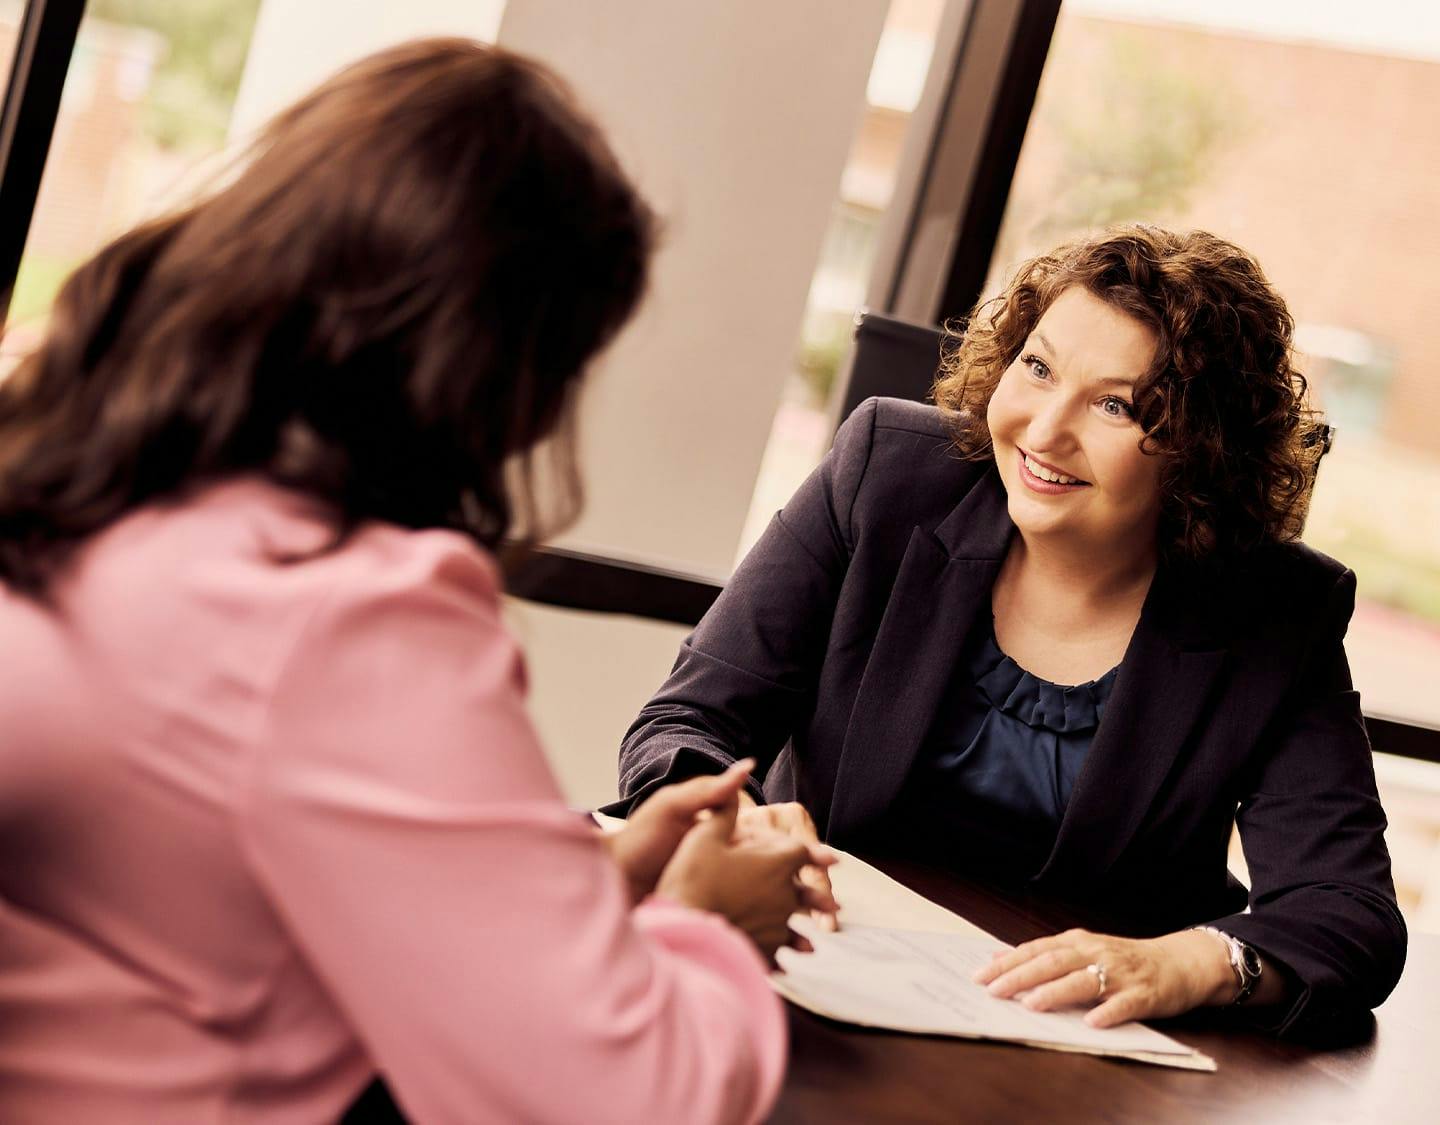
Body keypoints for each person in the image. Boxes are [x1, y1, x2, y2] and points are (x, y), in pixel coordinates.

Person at [0, 39, 837, 1124]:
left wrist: (589, 886)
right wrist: (706, 925)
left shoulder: (74, 475)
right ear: (496, 364)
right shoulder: (338, 610)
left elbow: (215, 850)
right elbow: (631, 1098)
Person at [615, 225, 1407, 1040]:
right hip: (806, 982)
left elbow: (1347, 914)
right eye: (1038, 366)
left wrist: (1185, 961)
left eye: (1116, 404)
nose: (1043, 429)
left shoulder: (1276, 611)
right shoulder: (885, 474)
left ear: (1200, 453)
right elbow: (686, 723)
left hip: (1068, 1047)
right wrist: (730, 823)